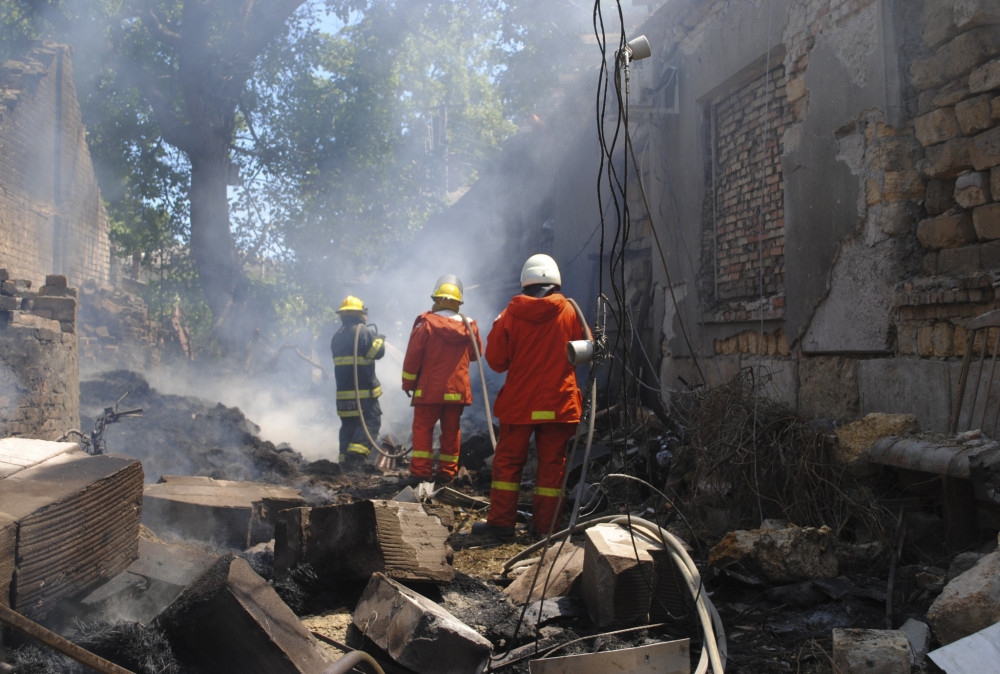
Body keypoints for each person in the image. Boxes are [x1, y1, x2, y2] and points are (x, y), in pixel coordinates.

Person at [478, 254, 587, 538]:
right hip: (558, 402)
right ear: (555, 281)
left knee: (508, 465)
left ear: (525, 282)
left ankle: (501, 526)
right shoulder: (571, 311)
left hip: (520, 404)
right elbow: (581, 354)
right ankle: (546, 529)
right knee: (552, 468)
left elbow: (496, 361)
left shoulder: (510, 314)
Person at [401, 275, 483, 484]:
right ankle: (446, 474)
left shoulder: (426, 324)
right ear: (458, 303)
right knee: (451, 432)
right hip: (456, 392)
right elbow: (475, 355)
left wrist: (408, 384)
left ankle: (420, 474)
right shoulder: (469, 326)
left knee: (423, 430)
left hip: (429, 391)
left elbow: (413, 358)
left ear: (436, 300)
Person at [330, 295, 385, 466]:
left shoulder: (336, 337)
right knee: (371, 422)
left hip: (344, 397)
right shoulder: (363, 331)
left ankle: (343, 461)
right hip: (363, 396)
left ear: (342, 315)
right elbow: (376, 353)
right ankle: (356, 458)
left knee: (348, 426)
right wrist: (380, 341)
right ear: (361, 313)